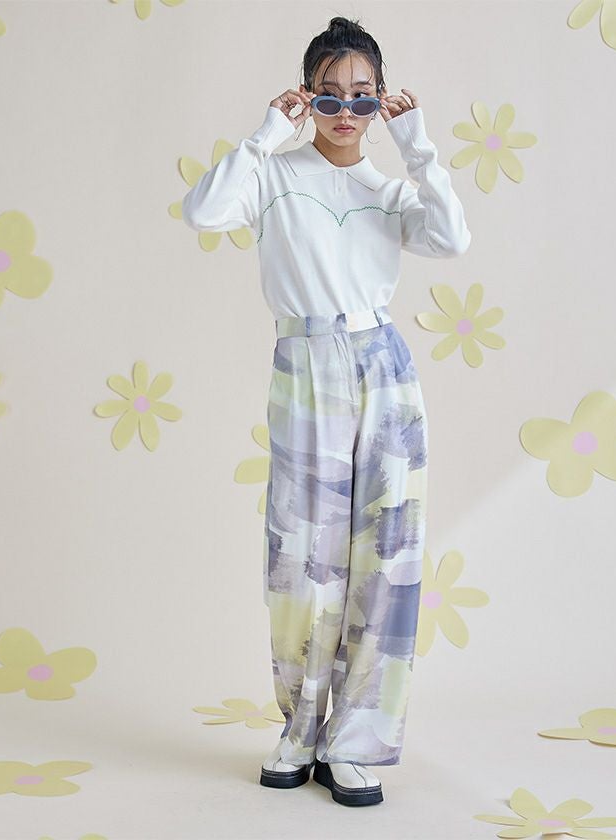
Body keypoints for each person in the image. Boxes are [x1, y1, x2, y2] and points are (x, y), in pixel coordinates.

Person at [182, 16, 471, 807]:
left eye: (363, 97)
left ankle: (356, 741)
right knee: (301, 556)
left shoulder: (390, 189)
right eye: (330, 94)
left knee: (386, 556)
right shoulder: (273, 176)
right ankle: (300, 729)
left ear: (382, 102)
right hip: (306, 365)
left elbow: (452, 238)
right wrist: (262, 135)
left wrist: (419, 148)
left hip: (385, 369)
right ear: (306, 96)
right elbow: (203, 212)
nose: (347, 111)